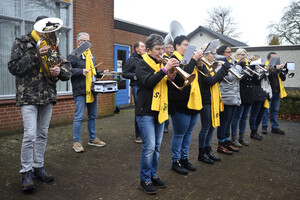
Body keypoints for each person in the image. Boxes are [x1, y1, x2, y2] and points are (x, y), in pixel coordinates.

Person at [8, 16, 72, 191]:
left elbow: (67, 69)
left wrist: (60, 70)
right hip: (28, 96)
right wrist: (36, 56)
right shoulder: (22, 42)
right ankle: (26, 171)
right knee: (30, 135)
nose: (51, 32)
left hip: (47, 96)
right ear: (37, 27)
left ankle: (38, 167)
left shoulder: (52, 44)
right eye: (48, 29)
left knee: (42, 134)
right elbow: (14, 67)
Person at [135, 34, 177, 194]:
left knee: (157, 147)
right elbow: (149, 82)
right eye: (158, 49)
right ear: (147, 50)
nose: (161, 52)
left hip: (160, 109)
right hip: (145, 111)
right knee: (149, 147)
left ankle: (153, 175)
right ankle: (144, 179)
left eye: (162, 49)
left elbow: (167, 86)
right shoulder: (141, 64)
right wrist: (165, 70)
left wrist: (171, 75)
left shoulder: (161, 65)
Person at [67, 32, 108, 153]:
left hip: (92, 90)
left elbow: (93, 71)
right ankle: (76, 142)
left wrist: (101, 73)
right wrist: (80, 71)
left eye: (88, 41)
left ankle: (92, 138)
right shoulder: (74, 54)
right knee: (79, 117)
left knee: (92, 116)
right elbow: (66, 69)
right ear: (78, 42)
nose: (88, 43)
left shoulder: (91, 56)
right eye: (85, 41)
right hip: (80, 90)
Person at [168, 35, 202, 174]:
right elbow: (183, 76)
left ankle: (184, 158)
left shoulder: (188, 60)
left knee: (188, 133)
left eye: (189, 45)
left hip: (193, 101)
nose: (188, 47)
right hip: (180, 103)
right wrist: (194, 59)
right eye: (185, 45)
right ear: (176, 46)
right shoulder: (173, 60)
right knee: (179, 134)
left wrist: (199, 63)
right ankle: (175, 161)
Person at [197, 43, 231, 164]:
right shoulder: (202, 65)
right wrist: (223, 70)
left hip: (213, 98)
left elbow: (217, 80)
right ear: (206, 54)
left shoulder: (211, 65)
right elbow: (210, 81)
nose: (215, 55)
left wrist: (224, 71)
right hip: (205, 99)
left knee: (212, 126)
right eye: (213, 53)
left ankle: (208, 149)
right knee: (205, 127)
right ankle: (201, 152)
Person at [216, 46, 242, 154]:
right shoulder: (219, 63)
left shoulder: (230, 62)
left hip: (233, 96)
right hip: (225, 96)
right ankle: (220, 145)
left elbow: (238, 76)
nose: (230, 54)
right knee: (224, 122)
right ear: (222, 53)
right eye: (228, 52)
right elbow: (230, 77)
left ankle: (227, 142)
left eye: (231, 52)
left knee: (229, 121)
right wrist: (239, 67)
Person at [231, 54, 257, 146]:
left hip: (249, 95)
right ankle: (234, 138)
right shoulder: (236, 65)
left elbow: (256, 80)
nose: (244, 56)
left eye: (246, 54)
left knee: (244, 118)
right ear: (237, 55)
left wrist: (254, 69)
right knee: (237, 117)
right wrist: (246, 69)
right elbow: (239, 78)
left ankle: (242, 137)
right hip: (241, 94)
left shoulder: (248, 66)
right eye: (242, 54)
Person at [123, 41, 146, 143]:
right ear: (136, 49)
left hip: (145, 87)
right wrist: (135, 76)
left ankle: (145, 133)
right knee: (139, 111)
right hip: (136, 87)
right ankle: (138, 135)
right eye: (142, 46)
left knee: (145, 111)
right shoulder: (132, 60)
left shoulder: (145, 58)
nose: (144, 48)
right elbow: (124, 73)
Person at [261, 52, 287, 135]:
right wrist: (275, 68)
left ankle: (275, 127)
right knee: (266, 110)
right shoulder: (265, 67)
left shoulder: (277, 68)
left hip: (277, 92)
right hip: (268, 92)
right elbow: (267, 75)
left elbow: (283, 79)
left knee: (275, 110)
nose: (276, 60)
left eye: (277, 58)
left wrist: (282, 71)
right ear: (269, 59)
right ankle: (264, 127)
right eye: (274, 58)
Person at [249, 55, 272, 140]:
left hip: (263, 94)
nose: (260, 63)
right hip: (256, 94)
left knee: (260, 114)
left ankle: (256, 130)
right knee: (254, 114)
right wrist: (263, 73)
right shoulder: (252, 69)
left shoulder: (261, 69)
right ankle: (253, 131)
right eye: (258, 61)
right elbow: (256, 80)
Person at [162, 42, 174, 133]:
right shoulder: (163, 58)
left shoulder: (174, 58)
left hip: (172, 84)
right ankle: (165, 125)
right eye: (169, 47)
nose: (171, 49)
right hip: (165, 82)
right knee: (165, 105)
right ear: (165, 49)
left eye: (172, 47)